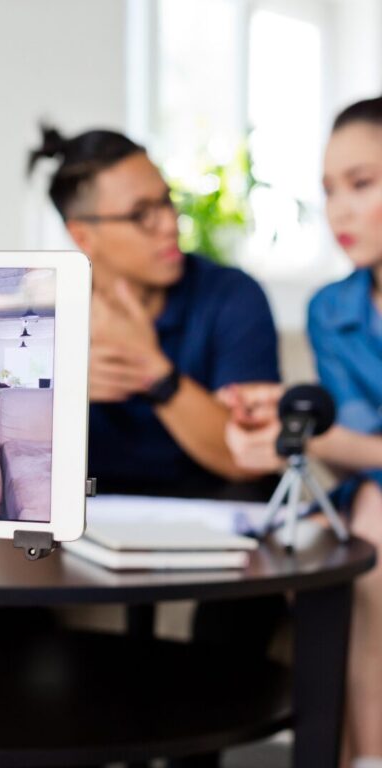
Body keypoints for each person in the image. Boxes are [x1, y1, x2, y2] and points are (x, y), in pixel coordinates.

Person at [224, 96, 382, 768]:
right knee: (334, 535)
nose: (339, 210)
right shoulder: (332, 309)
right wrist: (289, 421)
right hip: (371, 492)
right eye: (328, 191)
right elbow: (357, 447)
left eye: (362, 183)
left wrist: (307, 433)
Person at [28, 126, 280, 498]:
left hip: (217, 516)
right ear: (83, 236)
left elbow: (245, 459)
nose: (169, 223)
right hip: (91, 523)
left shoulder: (232, 296)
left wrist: (151, 370)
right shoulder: (45, 314)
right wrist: (63, 391)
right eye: (141, 214)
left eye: (167, 201)